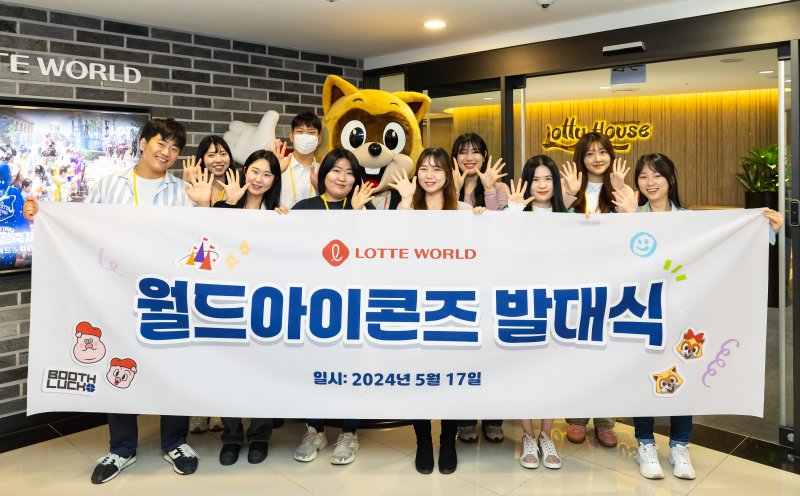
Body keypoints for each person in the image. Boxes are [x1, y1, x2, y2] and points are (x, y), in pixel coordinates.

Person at [23, 118, 212, 485]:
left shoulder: (184, 191)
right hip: (117, 291)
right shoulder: (110, 185)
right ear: (143, 143)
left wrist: (203, 206)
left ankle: (175, 442)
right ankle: (122, 448)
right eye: (161, 143)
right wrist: (42, 217)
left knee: (174, 363)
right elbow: (80, 227)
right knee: (118, 364)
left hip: (167, 294)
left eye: (174, 148)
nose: (167, 152)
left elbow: (202, 242)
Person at [611, 152, 784, 480]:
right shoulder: (630, 214)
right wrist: (629, 220)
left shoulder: (690, 220)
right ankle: (645, 444)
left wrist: (766, 230)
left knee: (681, 376)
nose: (650, 183)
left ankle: (680, 445)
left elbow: (727, 243)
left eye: (657, 175)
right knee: (643, 376)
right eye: (643, 177)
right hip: (645, 312)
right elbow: (613, 254)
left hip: (684, 312)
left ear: (671, 179)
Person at [389, 147, 484, 475]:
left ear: (448, 175)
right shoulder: (407, 208)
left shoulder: (463, 211)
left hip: (452, 306)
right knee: (419, 377)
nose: (429, 175)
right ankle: (423, 441)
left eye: (437, 169)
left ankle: (447, 439)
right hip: (415, 304)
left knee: (451, 376)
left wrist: (483, 219)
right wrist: (404, 202)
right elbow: (392, 248)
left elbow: (478, 253)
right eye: (424, 169)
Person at [287, 149, 374, 465]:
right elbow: (288, 251)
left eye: (349, 172)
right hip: (313, 301)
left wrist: (357, 213)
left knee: (350, 368)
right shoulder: (304, 207)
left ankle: (349, 433)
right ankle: (315, 430)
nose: (342, 177)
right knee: (314, 366)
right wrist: (277, 221)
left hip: (352, 301)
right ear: (323, 173)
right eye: (336, 170)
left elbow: (376, 250)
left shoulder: (365, 207)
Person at [211, 149, 283, 465]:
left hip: (264, 304)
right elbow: (208, 249)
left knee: (263, 372)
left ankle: (259, 436)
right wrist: (228, 205)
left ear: (274, 181)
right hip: (227, 301)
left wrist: (287, 224)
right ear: (244, 171)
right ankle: (231, 437)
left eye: (267, 174)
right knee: (227, 371)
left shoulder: (278, 215)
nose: (259, 179)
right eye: (255, 171)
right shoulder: (222, 207)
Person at [558, 132, 625, 447]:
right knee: (578, 351)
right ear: (580, 159)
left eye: (602, 152)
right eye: (589, 153)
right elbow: (554, 227)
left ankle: (606, 421)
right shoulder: (569, 189)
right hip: (577, 283)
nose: (597, 159)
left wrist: (622, 192)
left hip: (614, 284)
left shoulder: (623, 190)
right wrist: (570, 196)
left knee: (608, 352)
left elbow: (634, 233)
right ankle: (576, 417)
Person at [185, 135, 235, 435]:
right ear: (201, 158)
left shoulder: (237, 185)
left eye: (223, 153)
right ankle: (196, 411)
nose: (218, 159)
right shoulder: (189, 186)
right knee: (197, 346)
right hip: (198, 271)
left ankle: (218, 410)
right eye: (212, 154)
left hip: (230, 274)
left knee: (223, 349)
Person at [276, 112, 322, 208]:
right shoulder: (278, 165)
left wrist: (319, 190)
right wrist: (275, 172)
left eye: (311, 132)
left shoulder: (323, 170)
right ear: (291, 136)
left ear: (319, 138)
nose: (305, 137)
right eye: (300, 132)